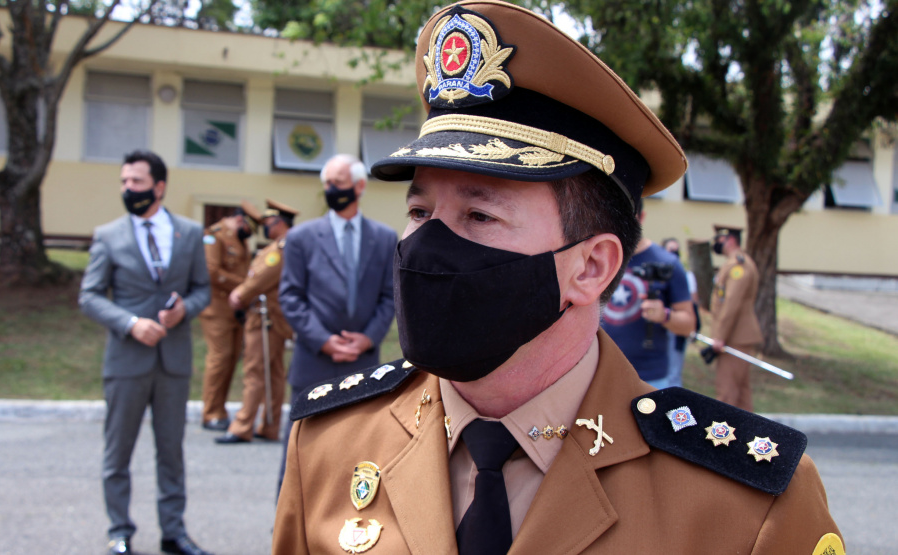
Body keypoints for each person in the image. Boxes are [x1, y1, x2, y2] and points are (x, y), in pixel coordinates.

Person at [272, 2, 843, 554]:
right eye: (419, 213)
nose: (428, 245)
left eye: (479, 215)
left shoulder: (743, 508)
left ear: (591, 267)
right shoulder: (329, 443)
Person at [79, 150, 213, 555]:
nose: (127, 189)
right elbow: (89, 296)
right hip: (126, 361)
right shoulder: (108, 235)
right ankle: (119, 530)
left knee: (170, 452)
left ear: (158, 186)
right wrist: (130, 323)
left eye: (135, 182)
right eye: (124, 182)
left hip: (172, 363)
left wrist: (182, 312)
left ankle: (174, 531)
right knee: (117, 451)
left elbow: (202, 289)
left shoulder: (189, 233)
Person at [275, 153, 397, 494]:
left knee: (356, 456)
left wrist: (368, 338)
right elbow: (291, 298)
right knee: (300, 456)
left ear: (359, 187)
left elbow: (389, 297)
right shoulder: (302, 238)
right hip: (313, 364)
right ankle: (288, 536)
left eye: (338, 184)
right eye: (327, 184)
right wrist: (324, 340)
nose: (331, 190)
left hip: (362, 366)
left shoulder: (385, 238)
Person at [216, 200, 298, 444]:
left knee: (254, 371)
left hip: (266, 319)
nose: (264, 227)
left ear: (280, 222)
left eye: (268, 222)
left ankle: (242, 426)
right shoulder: (278, 246)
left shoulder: (282, 247)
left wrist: (240, 294)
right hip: (269, 318)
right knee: (272, 373)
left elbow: (262, 278)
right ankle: (269, 426)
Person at [601, 208, 696, 388]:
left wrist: (665, 315)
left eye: (628, 216)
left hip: (649, 377)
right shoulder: (598, 257)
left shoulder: (667, 263)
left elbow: (688, 325)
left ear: (642, 216)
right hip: (598, 373)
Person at [198, 202, 259, 431]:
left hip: (235, 311)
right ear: (241, 220)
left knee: (231, 359)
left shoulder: (239, 240)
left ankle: (220, 410)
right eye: (250, 229)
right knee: (219, 358)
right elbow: (212, 272)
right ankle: (210, 412)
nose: (250, 235)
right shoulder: (214, 236)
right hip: (216, 310)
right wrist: (245, 286)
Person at [708, 225, 763, 411]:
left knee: (727, 393)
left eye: (719, 240)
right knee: (741, 394)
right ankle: (748, 436)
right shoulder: (734, 263)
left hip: (735, 337)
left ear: (730, 240)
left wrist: (720, 336)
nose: (716, 244)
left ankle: (723, 437)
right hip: (737, 336)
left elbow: (732, 303)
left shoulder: (739, 266)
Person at [661, 237, 701, 387]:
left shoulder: (685, 275)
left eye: (677, 250)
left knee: (673, 372)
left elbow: (693, 302)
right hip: (657, 330)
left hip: (675, 328)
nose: (675, 253)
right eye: (671, 249)